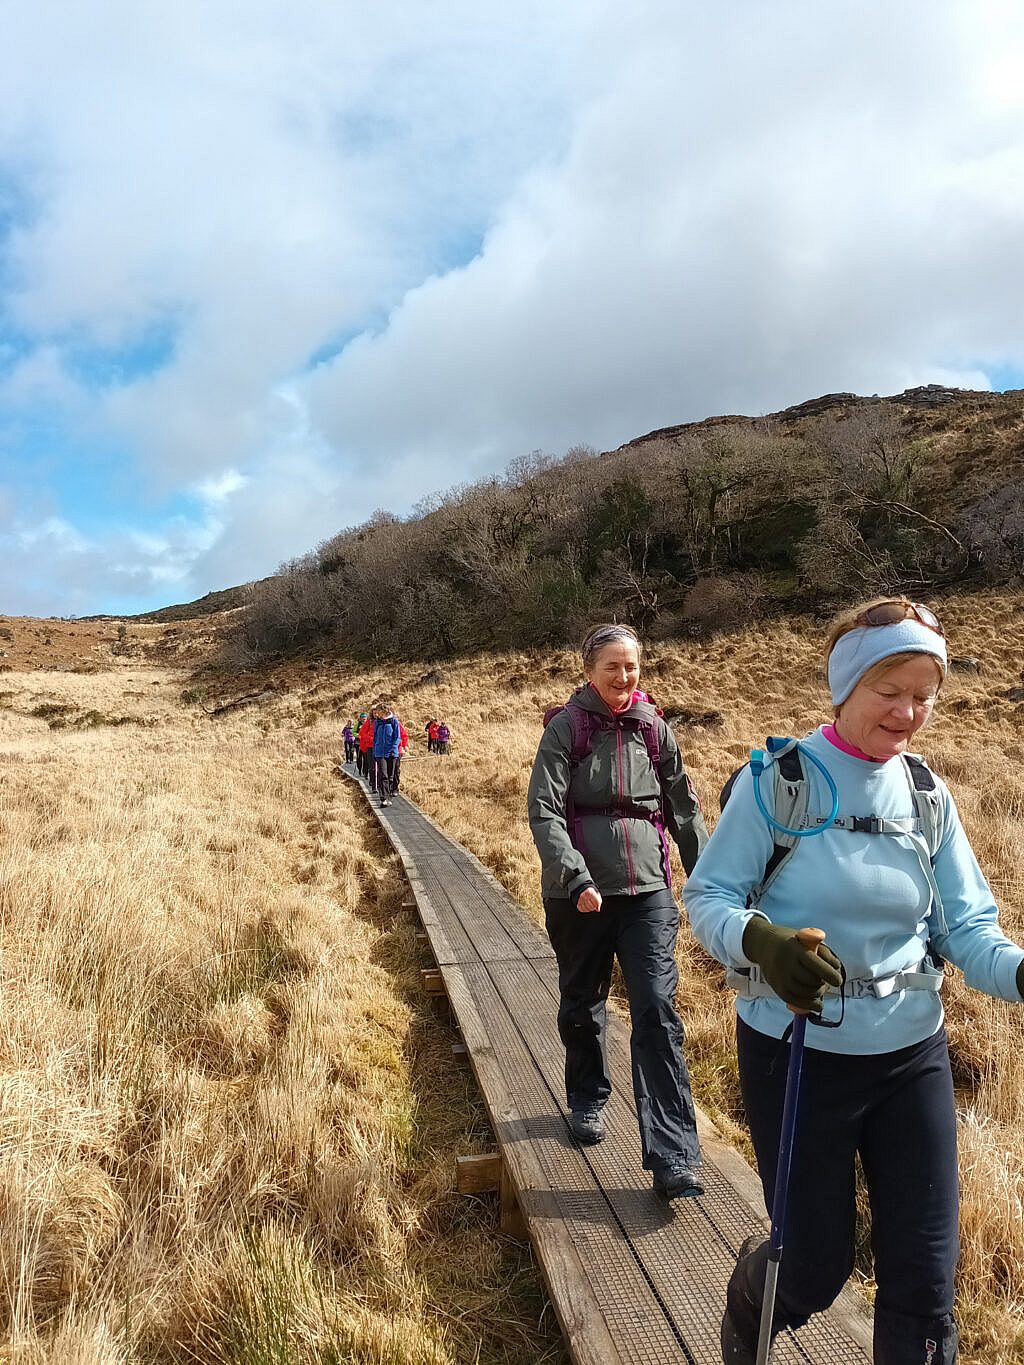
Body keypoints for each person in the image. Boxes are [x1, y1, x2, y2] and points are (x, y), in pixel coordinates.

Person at [684, 598, 1024, 1365]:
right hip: (795, 1052)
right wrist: (763, 943)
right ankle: (752, 1300)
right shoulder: (781, 780)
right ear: (845, 685)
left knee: (926, 1283)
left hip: (912, 1054)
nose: (909, 710)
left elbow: (967, 929)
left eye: (924, 693)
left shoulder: (929, 795)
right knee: (812, 1266)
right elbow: (707, 898)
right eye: (890, 688)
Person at [527, 623, 709, 1200]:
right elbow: (544, 812)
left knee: (656, 1008)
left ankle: (674, 1153)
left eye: (632, 666)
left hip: (648, 893)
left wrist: (708, 877)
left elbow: (684, 808)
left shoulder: (655, 729)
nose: (624, 677)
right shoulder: (566, 728)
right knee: (584, 1002)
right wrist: (574, 875)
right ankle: (586, 1096)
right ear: (589, 671)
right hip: (578, 894)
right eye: (613, 667)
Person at [372, 701, 402, 807]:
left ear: (384, 711)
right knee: (383, 775)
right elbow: (375, 737)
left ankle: (389, 797)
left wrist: (393, 749)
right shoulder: (377, 722)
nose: (376, 714)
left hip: (392, 753)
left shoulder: (394, 721)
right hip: (380, 753)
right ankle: (383, 798)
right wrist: (375, 751)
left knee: (390, 776)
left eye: (378, 712)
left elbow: (397, 737)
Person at [357, 711, 375, 786]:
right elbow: (355, 732)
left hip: (372, 745)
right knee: (363, 759)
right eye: (362, 718)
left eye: (365, 718)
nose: (364, 719)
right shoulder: (358, 725)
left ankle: (368, 775)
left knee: (368, 762)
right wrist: (358, 736)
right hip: (360, 744)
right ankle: (363, 772)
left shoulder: (378, 722)